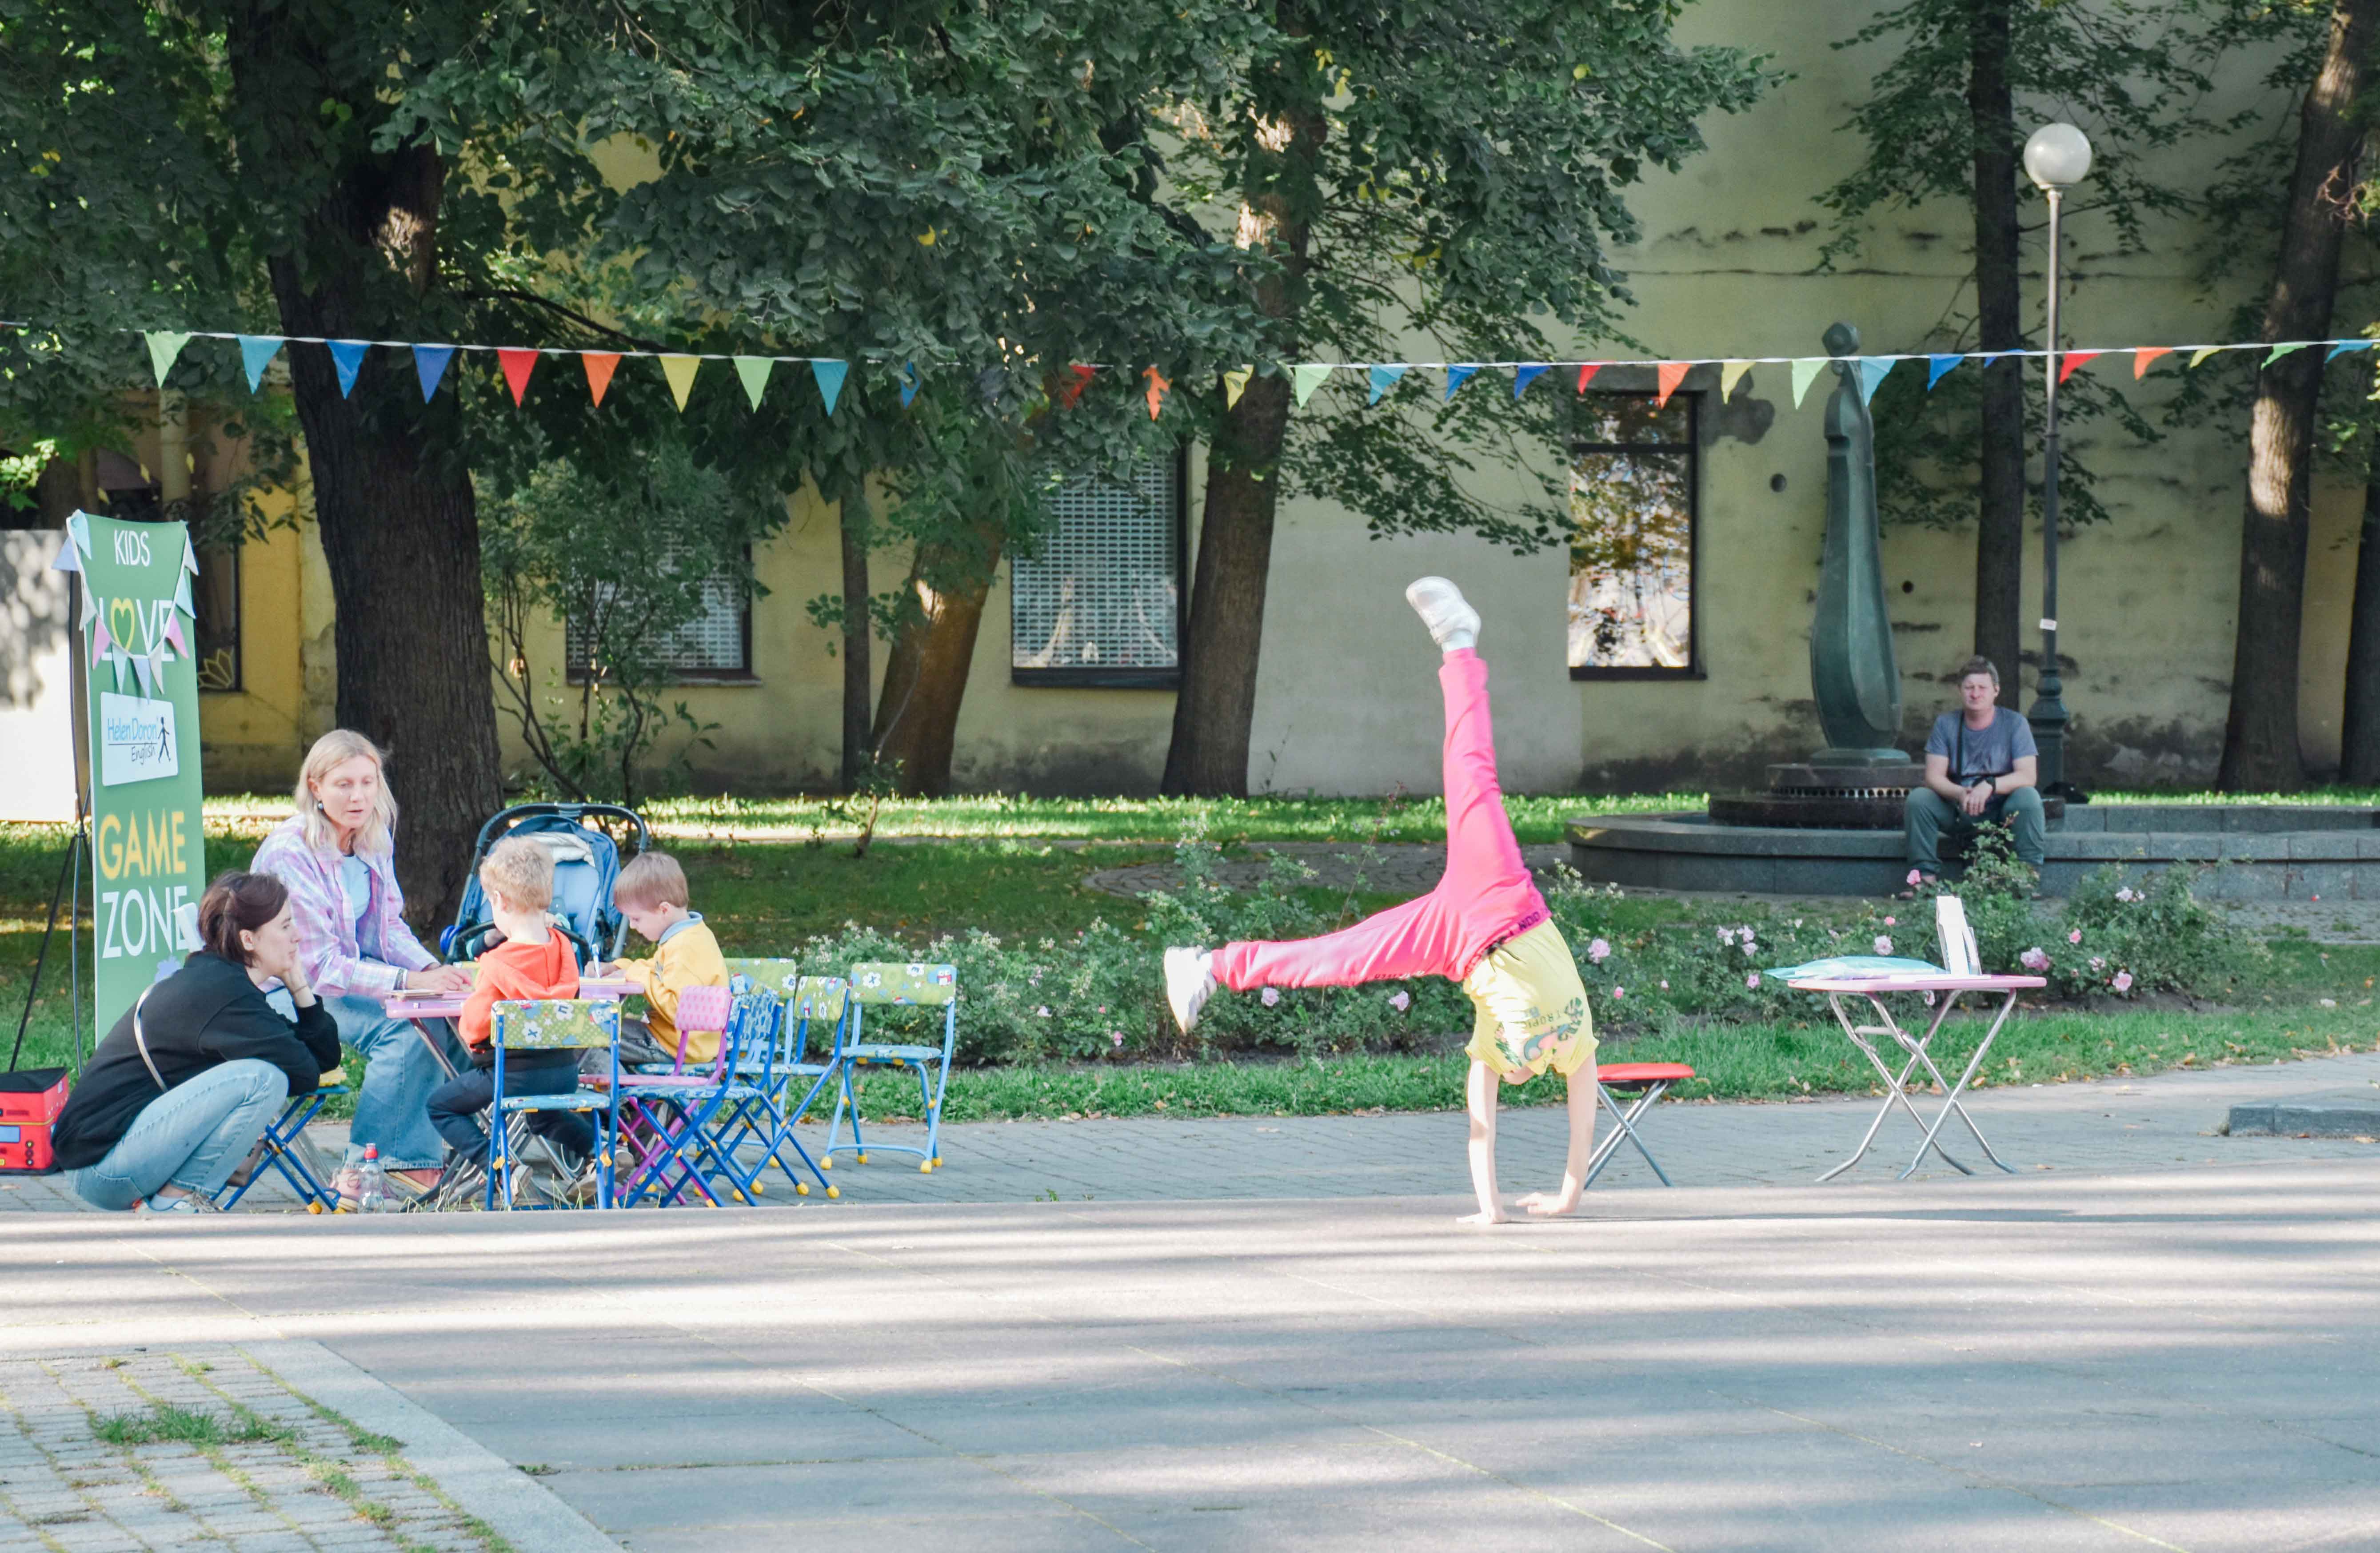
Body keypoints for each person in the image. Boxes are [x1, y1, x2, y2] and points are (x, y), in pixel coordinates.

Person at [1163, 578, 1596, 1226]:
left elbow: (1481, 1130)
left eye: (1521, 1070)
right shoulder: (1577, 1046)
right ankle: (1459, 643)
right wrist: (1566, 1197)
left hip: (1454, 941)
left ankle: (1209, 966)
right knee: (1472, 774)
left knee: (1339, 958)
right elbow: (1581, 1122)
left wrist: (1494, 1213)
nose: (1527, 1067)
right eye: (1530, 1066)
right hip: (1506, 898)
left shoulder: (1493, 1053)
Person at [252, 729, 475, 1210]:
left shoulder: (371, 837)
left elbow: (386, 930)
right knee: (407, 1029)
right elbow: (319, 965)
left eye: (368, 783)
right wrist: (409, 984)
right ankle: (367, 1168)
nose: (358, 797)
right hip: (284, 989)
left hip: (338, 976)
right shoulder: (291, 852)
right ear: (315, 787)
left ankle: (426, 1156)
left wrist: (437, 970)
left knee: (451, 1015)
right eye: (343, 785)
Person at [53, 873, 340, 1213]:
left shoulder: (224, 983)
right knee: (264, 1079)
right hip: (102, 1166)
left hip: (108, 1157)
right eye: (286, 926)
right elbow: (305, 1074)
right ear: (249, 939)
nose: (297, 936)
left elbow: (323, 1060)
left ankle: (173, 1203)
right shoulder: (224, 995)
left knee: (265, 1075)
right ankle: (176, 1204)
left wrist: (299, 988)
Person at [424, 837, 595, 1200]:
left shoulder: (497, 964)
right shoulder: (566, 950)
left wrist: (468, 1024)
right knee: (543, 1117)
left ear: (500, 901)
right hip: (562, 1073)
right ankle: (602, 1152)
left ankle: (504, 1167)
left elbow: (477, 1026)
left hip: (509, 1076)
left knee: (440, 1106)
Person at [1903, 656, 2047, 887]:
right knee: (1919, 799)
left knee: (2029, 798)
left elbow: (2027, 776)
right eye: (1969, 688)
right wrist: (1960, 794)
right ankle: (1923, 880)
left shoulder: (2015, 724)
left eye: (1983, 688)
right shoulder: (1946, 724)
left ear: (1996, 691)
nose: (1976, 694)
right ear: (1960, 690)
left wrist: (1990, 786)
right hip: (1960, 809)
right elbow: (1933, 777)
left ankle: (2026, 880)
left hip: (2002, 812)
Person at [590, 851, 729, 1070]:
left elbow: (678, 1009)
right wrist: (621, 967)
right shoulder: (690, 937)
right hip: (684, 1042)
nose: (634, 927)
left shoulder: (684, 948)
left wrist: (638, 976)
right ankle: (635, 1096)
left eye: (636, 919)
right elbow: (655, 971)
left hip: (677, 1044)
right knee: (600, 1031)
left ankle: (623, 1099)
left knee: (589, 1036)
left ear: (664, 910)